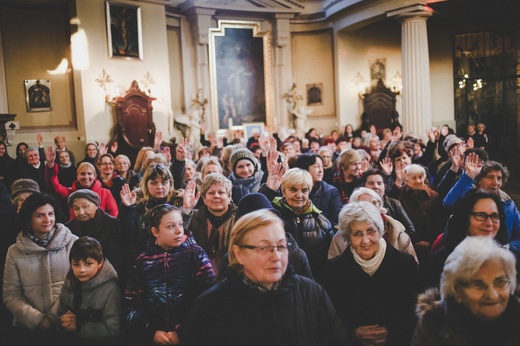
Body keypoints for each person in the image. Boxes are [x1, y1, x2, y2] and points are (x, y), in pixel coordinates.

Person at [182, 210, 346, 345]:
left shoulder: (311, 293)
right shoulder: (210, 306)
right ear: (239, 254)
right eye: (263, 248)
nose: (276, 256)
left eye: (281, 246)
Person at [323, 202, 420, 346]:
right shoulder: (334, 270)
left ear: (381, 232)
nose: (366, 240)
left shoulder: (405, 264)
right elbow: (331, 317)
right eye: (357, 233)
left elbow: (415, 311)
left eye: (371, 231)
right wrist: (352, 332)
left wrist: (393, 332)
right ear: (348, 239)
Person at [123, 204, 215, 345]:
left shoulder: (196, 254)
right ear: (155, 232)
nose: (179, 231)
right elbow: (131, 303)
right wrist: (151, 332)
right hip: (155, 337)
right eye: (171, 226)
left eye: (180, 224)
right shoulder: (144, 260)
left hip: (191, 336)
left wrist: (182, 331)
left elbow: (209, 298)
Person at [412, 236, 520, 345]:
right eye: (478, 284)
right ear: (457, 290)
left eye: (500, 282)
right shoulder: (433, 323)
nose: (492, 295)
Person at [3, 193, 78, 331]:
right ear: (28, 219)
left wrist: (53, 317)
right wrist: (38, 320)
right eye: (40, 215)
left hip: (66, 322)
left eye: (51, 214)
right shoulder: (15, 251)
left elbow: (79, 283)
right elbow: (11, 294)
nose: (47, 219)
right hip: (28, 328)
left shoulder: (73, 242)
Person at [260, 166, 334, 281]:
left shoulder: (323, 223)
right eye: (293, 189)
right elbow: (249, 216)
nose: (299, 195)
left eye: (304, 190)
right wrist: (268, 191)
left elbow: (328, 265)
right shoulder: (270, 215)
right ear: (283, 190)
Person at [424, 189, 510, 288]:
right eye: (481, 215)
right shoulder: (440, 262)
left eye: (494, 216)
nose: (489, 223)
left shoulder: (506, 260)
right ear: (464, 219)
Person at [119, 163, 199, 261]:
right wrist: (128, 209)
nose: (159, 187)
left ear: (170, 183)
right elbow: (129, 235)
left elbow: (182, 234)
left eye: (164, 182)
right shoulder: (137, 202)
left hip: (176, 258)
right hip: (145, 257)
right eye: (154, 183)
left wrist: (186, 209)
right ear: (146, 184)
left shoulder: (179, 201)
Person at [443, 158, 520, 253]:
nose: (495, 183)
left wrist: (504, 249)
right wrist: (469, 176)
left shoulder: (508, 203)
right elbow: (449, 203)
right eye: (490, 177)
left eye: (499, 178)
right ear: (479, 180)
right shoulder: (468, 197)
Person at [328, 187, 418, 263]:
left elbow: (412, 268)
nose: (371, 208)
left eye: (374, 203)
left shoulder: (399, 233)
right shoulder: (339, 238)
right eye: (364, 204)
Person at [58, 237, 121, 339]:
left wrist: (78, 326)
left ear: (100, 263)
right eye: (76, 264)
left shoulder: (110, 289)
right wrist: (64, 322)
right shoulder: (69, 283)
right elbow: (59, 317)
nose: (82, 270)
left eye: (88, 264)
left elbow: (112, 330)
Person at [65, 189, 126, 287]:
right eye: (76, 208)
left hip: (110, 280)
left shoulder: (112, 224)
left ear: (96, 205)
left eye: (85, 207)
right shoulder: (69, 229)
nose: (81, 212)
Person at [45, 147, 118, 219]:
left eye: (89, 174)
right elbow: (53, 185)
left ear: (95, 176)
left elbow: (114, 214)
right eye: (83, 174)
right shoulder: (71, 192)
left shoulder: (105, 193)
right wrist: (51, 165)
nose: (86, 177)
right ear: (77, 176)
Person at [187, 173, 237, 273]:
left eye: (221, 192)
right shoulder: (194, 219)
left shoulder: (240, 218)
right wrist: (186, 211)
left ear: (229, 197)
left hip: (232, 274)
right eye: (211, 193)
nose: (216, 196)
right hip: (201, 276)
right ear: (204, 198)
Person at [360, 169, 417, 241]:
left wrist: (396, 241)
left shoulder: (394, 204)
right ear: (364, 186)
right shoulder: (358, 206)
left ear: (384, 186)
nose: (376, 186)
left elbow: (411, 230)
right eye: (371, 183)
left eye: (379, 183)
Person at [291, 152, 342, 227]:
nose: (321, 170)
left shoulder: (330, 191)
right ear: (305, 168)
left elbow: (335, 221)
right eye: (317, 167)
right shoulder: (291, 188)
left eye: (322, 166)